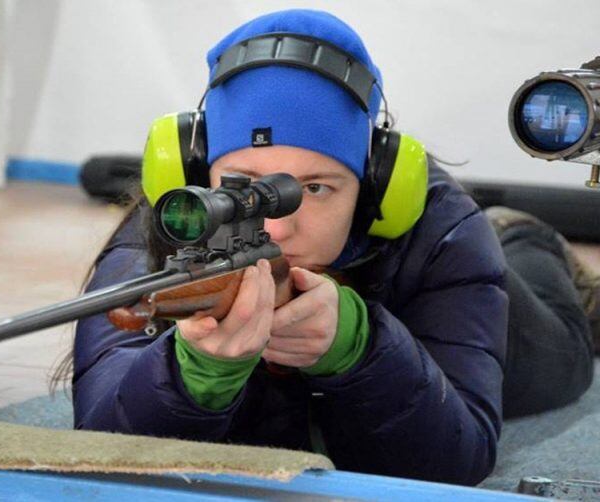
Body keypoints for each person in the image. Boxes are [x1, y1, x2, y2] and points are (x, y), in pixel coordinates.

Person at [69, 9, 598, 486]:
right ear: (194, 172)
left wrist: (360, 347)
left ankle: (524, 237)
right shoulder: (176, 222)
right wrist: (193, 375)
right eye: (238, 184)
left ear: (373, 185)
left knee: (564, 364)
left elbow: (457, 459)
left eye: (315, 188)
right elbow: (102, 446)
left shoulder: (439, 232)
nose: (274, 227)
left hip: (499, 285)